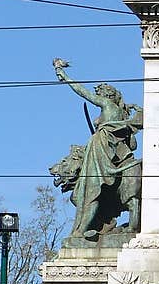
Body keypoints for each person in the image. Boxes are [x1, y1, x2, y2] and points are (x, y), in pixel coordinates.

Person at [52, 59, 142, 240]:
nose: (98, 97)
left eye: (100, 94)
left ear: (106, 97)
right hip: (111, 153)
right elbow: (132, 145)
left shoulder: (107, 106)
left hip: (99, 153)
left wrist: (65, 76)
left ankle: (80, 231)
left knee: (90, 190)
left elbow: (83, 93)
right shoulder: (122, 116)